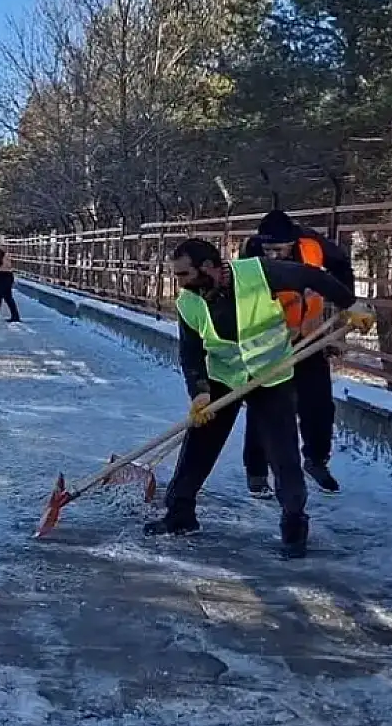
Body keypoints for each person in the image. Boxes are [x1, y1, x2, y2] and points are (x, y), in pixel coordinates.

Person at [148, 237, 373, 558]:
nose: (178, 282)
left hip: (271, 377)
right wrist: (199, 394)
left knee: (283, 456)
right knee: (198, 446)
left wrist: (351, 305)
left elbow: (313, 276)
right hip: (223, 378)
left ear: (209, 268)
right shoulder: (188, 302)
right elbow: (191, 354)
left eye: (184, 274)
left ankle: (294, 525)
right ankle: (179, 515)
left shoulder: (259, 273)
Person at [239, 210, 359, 496]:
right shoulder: (250, 252)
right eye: (268, 250)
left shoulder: (313, 244)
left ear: (291, 242)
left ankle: (316, 460)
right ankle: (256, 472)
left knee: (318, 404)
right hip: (268, 341)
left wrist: (348, 305)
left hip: (309, 336)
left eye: (278, 249)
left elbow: (341, 266)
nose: (273, 256)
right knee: (263, 407)